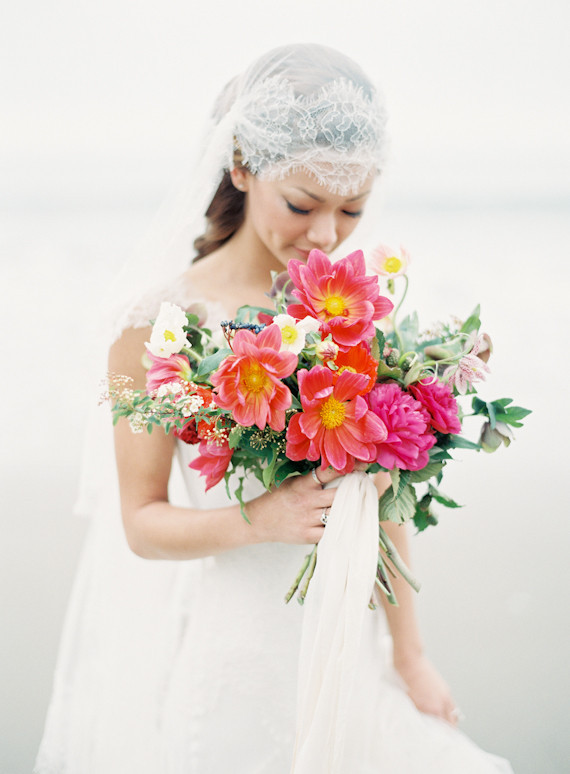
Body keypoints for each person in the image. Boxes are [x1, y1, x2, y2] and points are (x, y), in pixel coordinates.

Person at [35, 43, 514, 773]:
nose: (325, 236)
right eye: (302, 205)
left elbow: (383, 504)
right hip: (239, 661)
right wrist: (264, 518)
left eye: (352, 209)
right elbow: (140, 523)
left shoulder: (349, 310)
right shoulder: (154, 325)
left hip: (348, 650)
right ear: (240, 168)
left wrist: (411, 657)